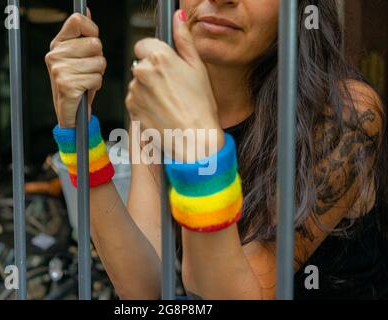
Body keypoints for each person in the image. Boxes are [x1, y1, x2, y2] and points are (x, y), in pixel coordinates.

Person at [45, 0, 388, 299]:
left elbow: (235, 293)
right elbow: (145, 286)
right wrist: (78, 136)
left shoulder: (346, 113)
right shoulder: (155, 110)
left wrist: (196, 148)